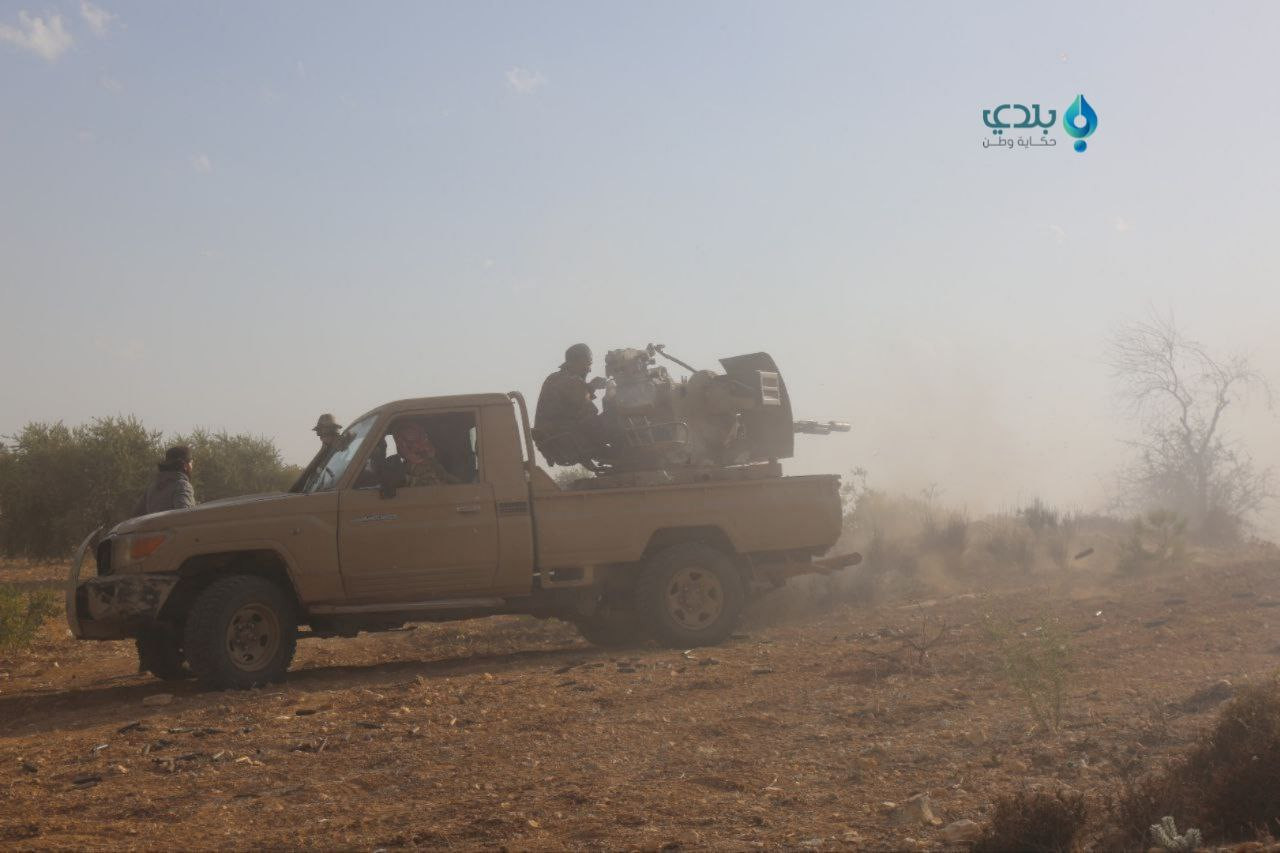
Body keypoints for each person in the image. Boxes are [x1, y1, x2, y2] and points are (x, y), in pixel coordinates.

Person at [534, 343, 613, 463]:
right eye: (588, 364)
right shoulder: (571, 381)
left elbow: (572, 403)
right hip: (566, 440)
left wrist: (590, 387)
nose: (589, 369)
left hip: (555, 441)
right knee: (613, 419)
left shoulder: (555, 378)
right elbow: (588, 414)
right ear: (577, 361)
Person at [133, 445, 197, 516]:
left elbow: (136, 515)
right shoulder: (183, 486)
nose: (192, 467)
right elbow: (186, 517)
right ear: (185, 465)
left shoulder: (152, 486)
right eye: (191, 463)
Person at [391, 421, 459, 487]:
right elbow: (435, 488)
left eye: (423, 437)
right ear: (403, 445)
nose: (423, 441)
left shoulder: (432, 463)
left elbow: (452, 482)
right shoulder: (407, 470)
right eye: (416, 440)